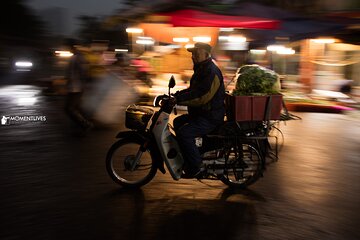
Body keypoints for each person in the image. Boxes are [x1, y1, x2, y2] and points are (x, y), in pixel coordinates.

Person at [173, 42, 225, 178]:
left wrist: (178, 101)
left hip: (210, 116)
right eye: (192, 54)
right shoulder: (201, 69)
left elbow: (202, 96)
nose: (193, 56)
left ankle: (196, 166)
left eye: (196, 53)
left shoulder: (211, 72)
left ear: (207, 55)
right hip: (201, 113)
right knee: (178, 122)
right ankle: (190, 155)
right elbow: (193, 91)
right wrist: (176, 96)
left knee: (185, 134)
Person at [64, 39, 94, 134]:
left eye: (69, 47)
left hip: (76, 88)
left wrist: (85, 84)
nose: (69, 49)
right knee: (76, 107)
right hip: (74, 87)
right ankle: (82, 125)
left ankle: (85, 124)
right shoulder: (74, 57)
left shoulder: (79, 57)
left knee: (69, 108)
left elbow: (83, 72)